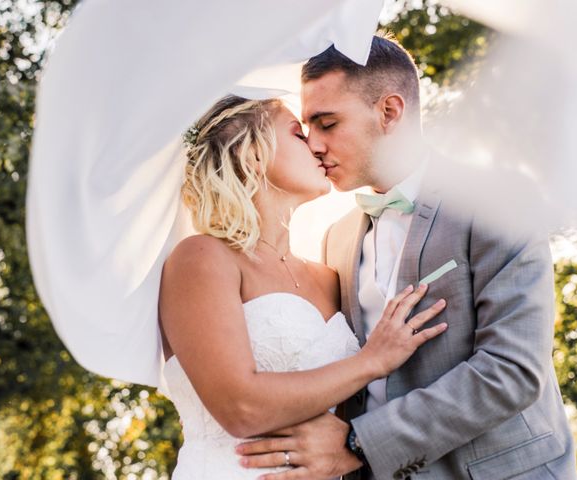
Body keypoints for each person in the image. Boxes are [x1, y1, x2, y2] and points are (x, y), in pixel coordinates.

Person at [237, 36, 577, 480]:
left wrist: (358, 443)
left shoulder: (497, 202)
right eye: (307, 129)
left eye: (327, 123)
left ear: (389, 112)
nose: (315, 145)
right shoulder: (336, 240)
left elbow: (511, 371)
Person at [158, 94, 449, 479]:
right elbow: (240, 409)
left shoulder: (330, 276)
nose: (316, 145)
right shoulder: (201, 257)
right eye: (298, 134)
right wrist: (371, 361)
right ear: (254, 156)